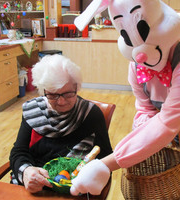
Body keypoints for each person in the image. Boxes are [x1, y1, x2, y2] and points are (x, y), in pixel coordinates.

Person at [71, 0, 180, 196]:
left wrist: (106, 164)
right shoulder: (136, 64)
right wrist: (141, 147)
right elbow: (145, 110)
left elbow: (166, 123)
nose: (141, 59)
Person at [9, 54, 113, 193]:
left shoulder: (90, 114)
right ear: (43, 90)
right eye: (53, 95)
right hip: (35, 188)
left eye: (69, 93)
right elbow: (19, 151)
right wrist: (26, 172)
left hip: (74, 189)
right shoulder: (33, 111)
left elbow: (105, 158)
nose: (61, 102)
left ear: (77, 87)